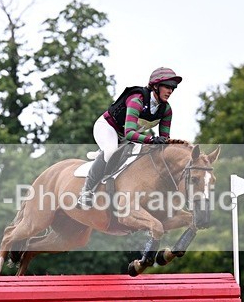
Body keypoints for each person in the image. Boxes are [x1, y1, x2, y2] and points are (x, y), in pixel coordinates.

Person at [78, 66, 182, 208]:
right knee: (110, 150)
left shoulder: (166, 110)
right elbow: (130, 133)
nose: (170, 91)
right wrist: (152, 140)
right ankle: (86, 191)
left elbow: (164, 141)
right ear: (156, 86)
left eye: (173, 88)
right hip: (108, 127)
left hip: (127, 137)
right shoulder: (137, 99)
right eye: (167, 87)